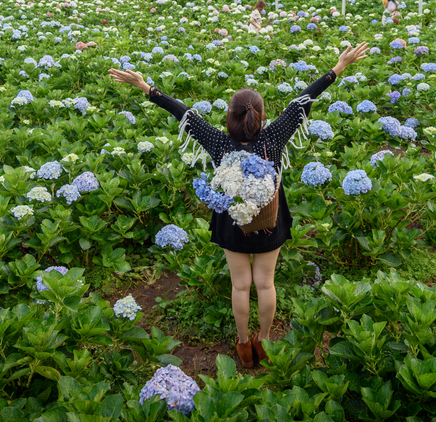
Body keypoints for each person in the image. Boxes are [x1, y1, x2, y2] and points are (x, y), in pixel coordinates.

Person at [108, 42, 370, 369]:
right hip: (270, 220)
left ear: (230, 116)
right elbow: (304, 100)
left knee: (240, 285)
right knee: (265, 283)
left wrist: (146, 87)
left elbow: (182, 113)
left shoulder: (218, 141)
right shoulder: (273, 137)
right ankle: (265, 341)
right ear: (259, 116)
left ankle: (244, 344)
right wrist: (338, 67)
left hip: (232, 222)